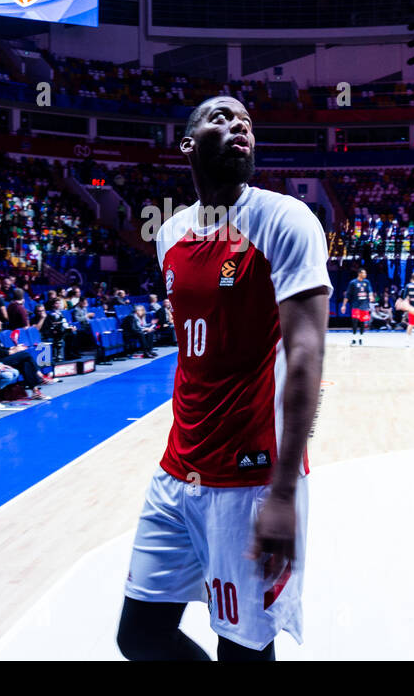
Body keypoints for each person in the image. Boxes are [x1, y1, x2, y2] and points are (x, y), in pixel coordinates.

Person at [116, 95, 329, 662]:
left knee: (243, 649)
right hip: (178, 470)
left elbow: (306, 353)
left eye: (247, 121)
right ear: (188, 144)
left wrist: (284, 492)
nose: (239, 125)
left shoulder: (284, 219)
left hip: (252, 480)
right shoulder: (170, 235)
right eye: (221, 117)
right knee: (138, 635)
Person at [0, 315, 50, 398]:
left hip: (3, 358)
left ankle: (35, 390)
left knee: (25, 363)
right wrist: (13, 351)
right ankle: (39, 373)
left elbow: (1, 348)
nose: (0, 323)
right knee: (25, 354)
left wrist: (13, 347)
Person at [339, 267, 374, 345]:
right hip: (355, 305)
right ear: (359, 274)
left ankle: (361, 338)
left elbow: (370, 291)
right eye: (364, 273)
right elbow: (347, 295)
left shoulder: (367, 282)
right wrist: (343, 305)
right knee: (354, 321)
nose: (365, 274)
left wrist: (371, 296)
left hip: (364, 305)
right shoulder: (353, 283)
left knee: (362, 322)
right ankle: (354, 338)